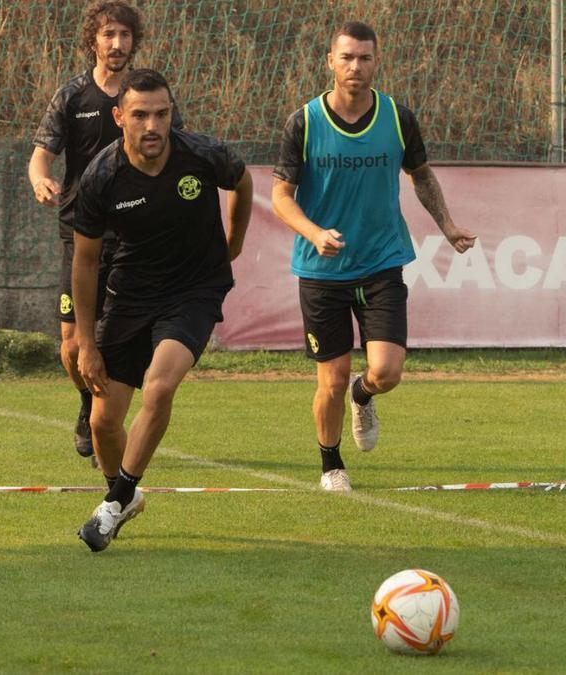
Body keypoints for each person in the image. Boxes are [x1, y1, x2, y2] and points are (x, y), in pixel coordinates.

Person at [270, 21, 477, 492]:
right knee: (332, 378)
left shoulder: (397, 118)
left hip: (382, 263)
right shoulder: (304, 122)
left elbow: (421, 175)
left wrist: (446, 227)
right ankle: (331, 465)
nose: (355, 67)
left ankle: (365, 396)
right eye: (346, 58)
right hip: (321, 271)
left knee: (386, 371)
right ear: (330, 62)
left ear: (376, 62)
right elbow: (281, 195)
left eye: (364, 58)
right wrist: (314, 232)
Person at [71, 69, 252, 552]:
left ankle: (114, 503)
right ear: (119, 118)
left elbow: (243, 179)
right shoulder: (101, 176)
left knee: (160, 384)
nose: (152, 125)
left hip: (194, 289)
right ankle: (122, 494)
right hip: (129, 296)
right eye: (140, 115)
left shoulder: (202, 155)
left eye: (161, 114)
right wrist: (86, 343)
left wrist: (232, 243)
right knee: (103, 423)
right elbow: (85, 261)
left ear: (172, 113)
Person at [29, 1, 183, 463]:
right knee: (73, 345)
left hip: (135, 238)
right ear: (93, 40)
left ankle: (106, 421)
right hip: (80, 235)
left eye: (124, 36)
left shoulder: (147, 96)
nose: (117, 44)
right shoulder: (72, 95)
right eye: (108, 35)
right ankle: (86, 404)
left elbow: (180, 153)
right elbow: (42, 152)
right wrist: (40, 177)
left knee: (121, 339)